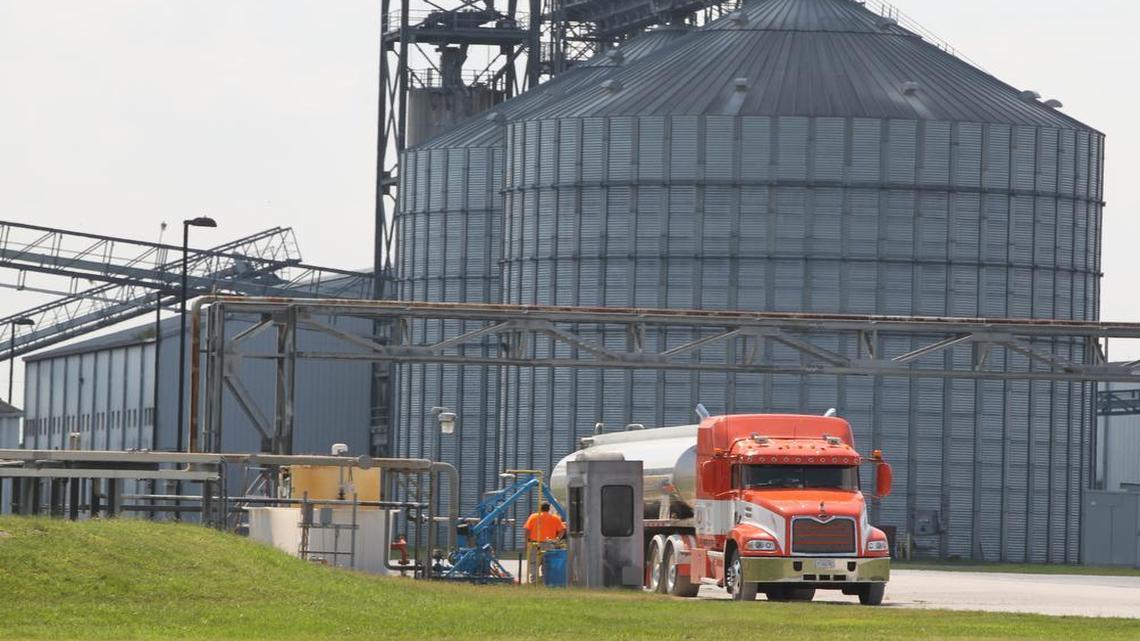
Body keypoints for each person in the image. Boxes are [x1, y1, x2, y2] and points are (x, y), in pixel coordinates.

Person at [523, 502, 565, 584]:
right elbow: (562, 530)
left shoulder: (533, 517)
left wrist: (526, 542)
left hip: (535, 544)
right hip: (549, 544)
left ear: (540, 508)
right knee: (547, 563)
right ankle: (546, 581)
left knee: (534, 563)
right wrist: (557, 539)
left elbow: (527, 530)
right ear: (549, 509)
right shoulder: (555, 518)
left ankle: (534, 581)